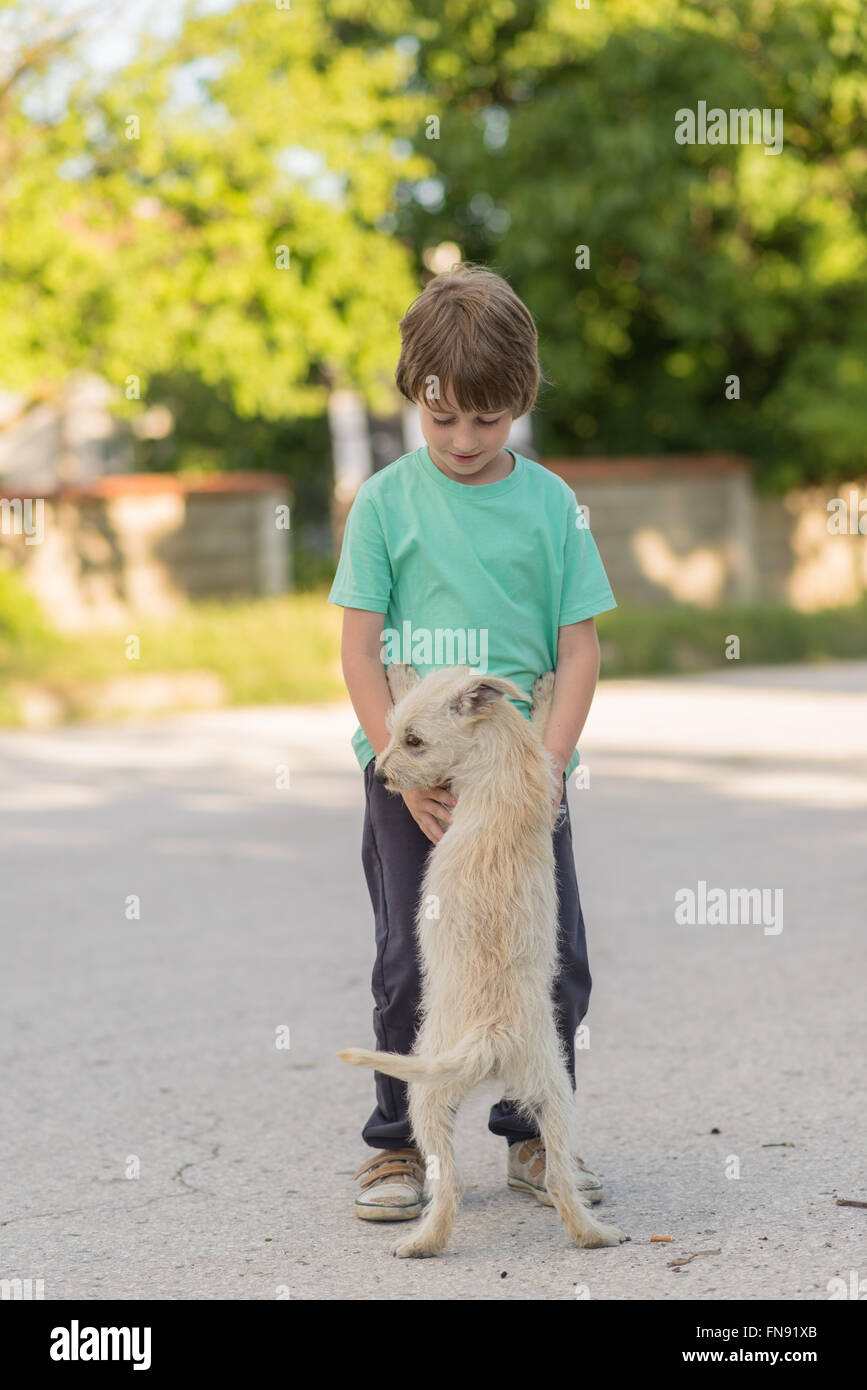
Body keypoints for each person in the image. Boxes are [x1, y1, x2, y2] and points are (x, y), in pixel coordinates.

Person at [327, 262, 617, 1222]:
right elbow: (360, 652)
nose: (461, 438)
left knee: (551, 958)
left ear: (521, 401)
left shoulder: (549, 506)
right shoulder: (384, 503)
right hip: (413, 774)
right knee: (416, 961)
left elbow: (577, 651)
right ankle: (399, 1145)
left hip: (519, 784)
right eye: (442, 415)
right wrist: (395, 769)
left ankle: (535, 1138)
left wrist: (548, 766)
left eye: (485, 420)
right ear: (415, 394)